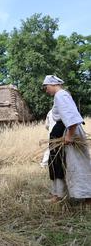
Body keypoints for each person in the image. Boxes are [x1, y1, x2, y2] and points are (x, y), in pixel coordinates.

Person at [43, 75, 91, 203]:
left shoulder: (60, 95)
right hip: (64, 132)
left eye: (46, 87)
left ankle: (85, 196)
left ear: (53, 84)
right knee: (56, 163)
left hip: (68, 132)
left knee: (75, 163)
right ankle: (59, 194)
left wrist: (69, 136)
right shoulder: (62, 95)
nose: (46, 90)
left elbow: (71, 117)